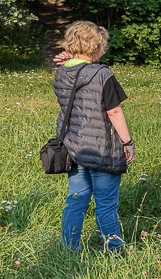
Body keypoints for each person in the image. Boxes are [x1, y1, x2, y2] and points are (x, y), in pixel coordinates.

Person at [53, 21, 134, 253]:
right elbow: (114, 111)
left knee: (76, 198)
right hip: (101, 148)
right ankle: (114, 249)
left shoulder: (61, 72)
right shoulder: (102, 74)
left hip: (74, 146)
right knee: (106, 203)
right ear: (96, 46)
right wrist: (127, 142)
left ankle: (70, 249)